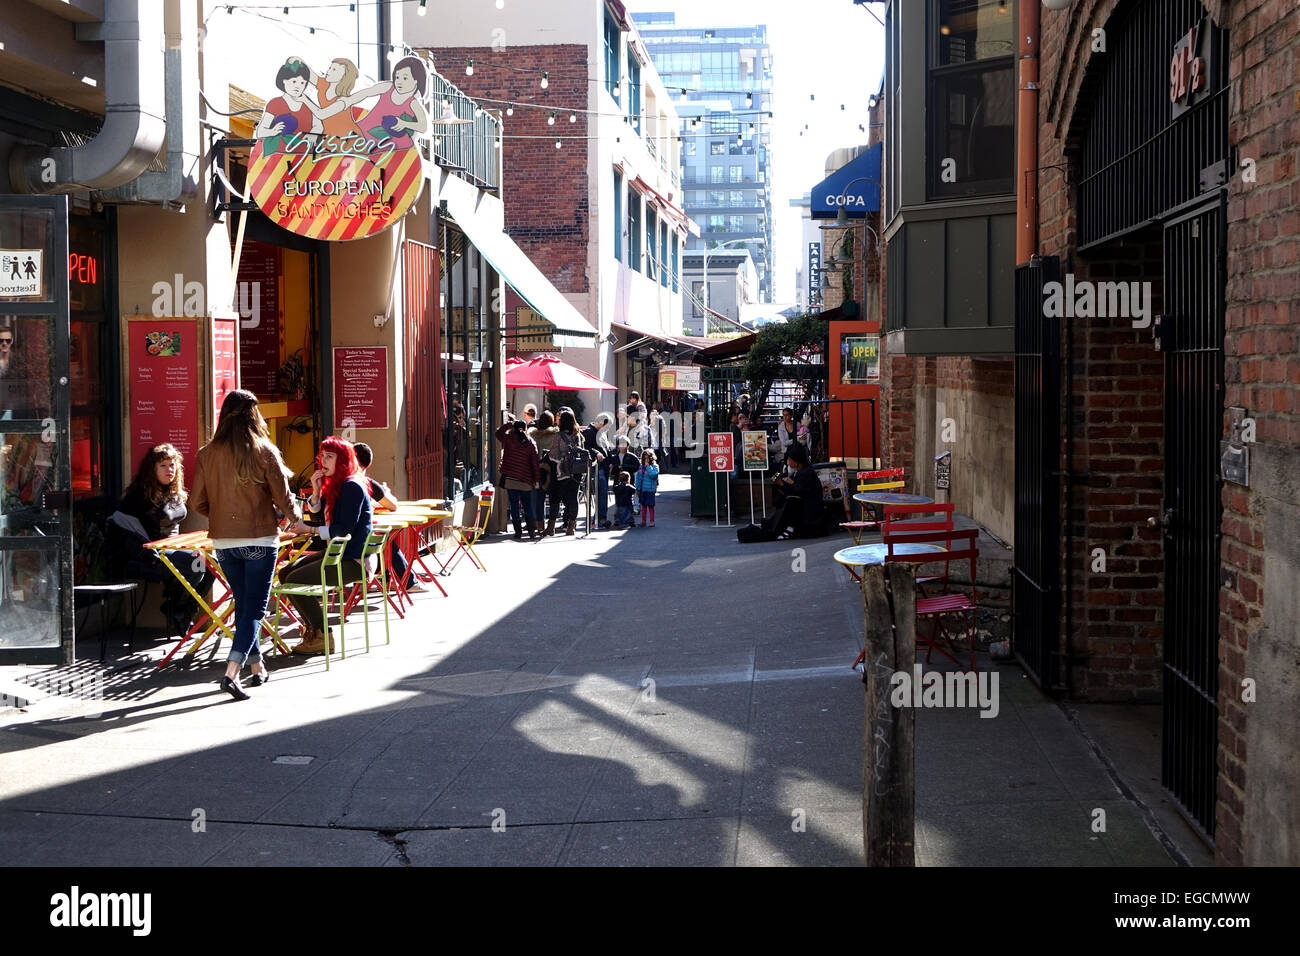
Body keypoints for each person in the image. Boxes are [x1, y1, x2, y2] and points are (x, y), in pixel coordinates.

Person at [190, 389, 301, 701]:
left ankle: (257, 667)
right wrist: (295, 517)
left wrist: (224, 517)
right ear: (255, 416)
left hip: (224, 540)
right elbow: (283, 497)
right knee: (254, 609)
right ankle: (232, 671)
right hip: (260, 539)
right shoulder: (265, 451)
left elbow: (197, 501)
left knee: (243, 606)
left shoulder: (206, 454)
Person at [283, 437, 374, 655]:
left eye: (330, 456)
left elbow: (343, 529)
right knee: (285, 573)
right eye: (322, 455)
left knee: (295, 580)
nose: (323, 460)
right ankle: (313, 632)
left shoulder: (352, 486)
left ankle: (322, 635)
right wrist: (315, 491)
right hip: (338, 553)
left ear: (342, 460)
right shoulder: (337, 483)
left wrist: (310, 530)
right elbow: (320, 515)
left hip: (354, 560)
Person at [115, 444, 213, 638]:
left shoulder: (174, 492)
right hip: (149, 555)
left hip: (174, 549)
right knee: (195, 564)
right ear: (152, 469)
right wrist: (146, 552)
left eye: (172, 465)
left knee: (210, 566)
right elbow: (126, 530)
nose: (170, 469)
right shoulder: (138, 496)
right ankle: (176, 609)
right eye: (163, 465)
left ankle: (179, 609)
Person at [353, 441, 423, 593]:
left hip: (341, 538)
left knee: (382, 541)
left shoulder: (343, 482)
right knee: (386, 542)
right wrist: (386, 492)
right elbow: (393, 505)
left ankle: (381, 580)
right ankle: (408, 582)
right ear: (369, 463)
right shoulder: (365, 483)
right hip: (355, 541)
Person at [769, 443, 827, 540]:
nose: (788, 462)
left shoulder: (806, 473)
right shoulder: (800, 471)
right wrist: (783, 482)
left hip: (810, 510)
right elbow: (794, 486)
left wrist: (782, 484)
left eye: (789, 460)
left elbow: (797, 491)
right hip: (806, 505)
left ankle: (790, 528)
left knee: (792, 501)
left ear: (796, 462)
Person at [496, 414, 540, 540]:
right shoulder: (531, 442)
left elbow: (498, 433)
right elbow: (535, 463)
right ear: (525, 429)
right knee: (527, 506)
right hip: (526, 479)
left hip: (511, 478)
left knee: (514, 506)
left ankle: (518, 532)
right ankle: (531, 531)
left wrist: (509, 424)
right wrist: (536, 480)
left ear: (514, 429)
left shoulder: (509, 438)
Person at [549, 409, 586, 536]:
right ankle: (571, 527)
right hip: (576, 471)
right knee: (573, 498)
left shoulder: (558, 436)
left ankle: (551, 527)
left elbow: (553, 455)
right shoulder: (578, 435)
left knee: (556, 498)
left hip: (561, 471)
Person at [528, 410, 558, 535]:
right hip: (553, 470)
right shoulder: (555, 435)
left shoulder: (533, 436)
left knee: (537, 498)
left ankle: (539, 524)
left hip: (537, 469)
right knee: (553, 499)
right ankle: (551, 525)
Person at [582, 412, 615, 529]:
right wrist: (597, 453)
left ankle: (600, 517)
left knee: (603, 494)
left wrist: (610, 461)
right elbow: (585, 448)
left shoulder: (602, 433)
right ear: (601, 423)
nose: (608, 429)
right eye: (608, 426)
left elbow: (606, 448)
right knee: (601, 494)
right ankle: (600, 519)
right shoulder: (588, 432)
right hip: (596, 468)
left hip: (604, 467)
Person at [607, 435, 640, 525]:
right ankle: (618, 519)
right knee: (618, 501)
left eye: (625, 444)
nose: (623, 446)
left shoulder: (632, 456)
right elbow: (612, 470)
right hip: (618, 482)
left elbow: (637, 467)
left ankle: (629, 519)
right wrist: (615, 468)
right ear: (618, 445)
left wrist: (625, 467)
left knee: (629, 501)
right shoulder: (614, 457)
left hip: (629, 482)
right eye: (621, 444)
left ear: (628, 445)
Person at [634, 449, 660, 528]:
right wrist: (637, 488)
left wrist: (648, 467)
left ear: (651, 458)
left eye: (647, 458)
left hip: (650, 490)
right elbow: (638, 478)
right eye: (644, 458)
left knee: (651, 506)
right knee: (643, 506)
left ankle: (652, 521)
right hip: (642, 490)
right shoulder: (641, 467)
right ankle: (643, 521)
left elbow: (653, 476)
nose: (646, 460)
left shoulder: (655, 467)